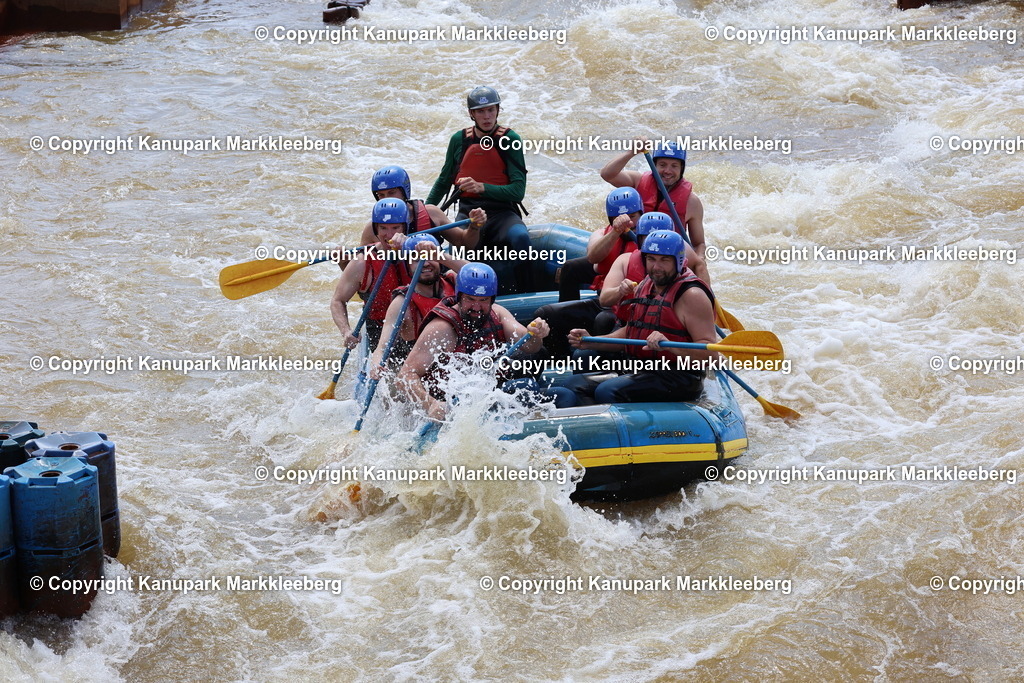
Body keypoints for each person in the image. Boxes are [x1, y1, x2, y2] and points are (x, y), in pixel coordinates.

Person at [398, 263, 576, 420]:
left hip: (486, 394)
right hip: (452, 407)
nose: (476, 307)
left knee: (564, 395)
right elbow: (404, 376)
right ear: (459, 297)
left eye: (483, 300)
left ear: (492, 299)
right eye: (470, 299)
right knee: (523, 386)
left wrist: (536, 334)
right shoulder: (441, 329)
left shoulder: (497, 313)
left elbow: (530, 345)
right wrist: (430, 404)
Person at [564, 230, 716, 405]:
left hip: (679, 376)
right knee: (574, 385)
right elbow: (632, 331)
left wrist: (670, 346)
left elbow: (710, 355)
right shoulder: (647, 284)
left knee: (608, 391)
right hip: (642, 368)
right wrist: (591, 341)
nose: (656, 267)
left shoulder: (692, 295)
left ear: (680, 261)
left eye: (664, 260)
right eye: (651, 259)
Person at [426, 87, 533, 294]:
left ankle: (527, 293)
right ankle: (458, 298)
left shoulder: (510, 140)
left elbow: (518, 191)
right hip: (468, 213)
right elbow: (443, 181)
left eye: (491, 110)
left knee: (521, 238)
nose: (487, 116)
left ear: (498, 111)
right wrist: (424, 210)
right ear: (471, 114)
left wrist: (482, 187)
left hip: (502, 213)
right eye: (481, 111)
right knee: (457, 250)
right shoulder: (459, 140)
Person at [600, 140, 710, 283]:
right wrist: (632, 151)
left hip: (666, 257)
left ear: (681, 168)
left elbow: (698, 243)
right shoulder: (637, 181)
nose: (668, 171)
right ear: (654, 165)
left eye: (674, 166)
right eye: (662, 165)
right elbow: (607, 174)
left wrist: (700, 259)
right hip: (634, 249)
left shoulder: (692, 202)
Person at [367, 233, 467, 379]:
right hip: (421, 375)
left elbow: (479, 273)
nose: (425, 263)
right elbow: (382, 348)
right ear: (407, 266)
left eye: (429, 258)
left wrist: (439, 255)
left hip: (460, 364)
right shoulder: (402, 303)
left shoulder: (455, 280)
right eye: (416, 259)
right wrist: (377, 364)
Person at [331, 198, 412, 352]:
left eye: (395, 227)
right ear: (376, 230)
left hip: (417, 328)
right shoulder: (362, 261)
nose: (389, 234)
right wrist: (346, 331)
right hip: (379, 330)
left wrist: (410, 247)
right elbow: (337, 300)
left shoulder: (418, 251)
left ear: (405, 228)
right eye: (383, 228)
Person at [360, 165, 484, 248]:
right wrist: (343, 261)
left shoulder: (432, 213)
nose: (387, 199)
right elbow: (359, 273)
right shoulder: (372, 228)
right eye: (381, 195)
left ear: (404, 192)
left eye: (392, 192)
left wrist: (474, 227)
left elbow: (465, 243)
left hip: (429, 277)